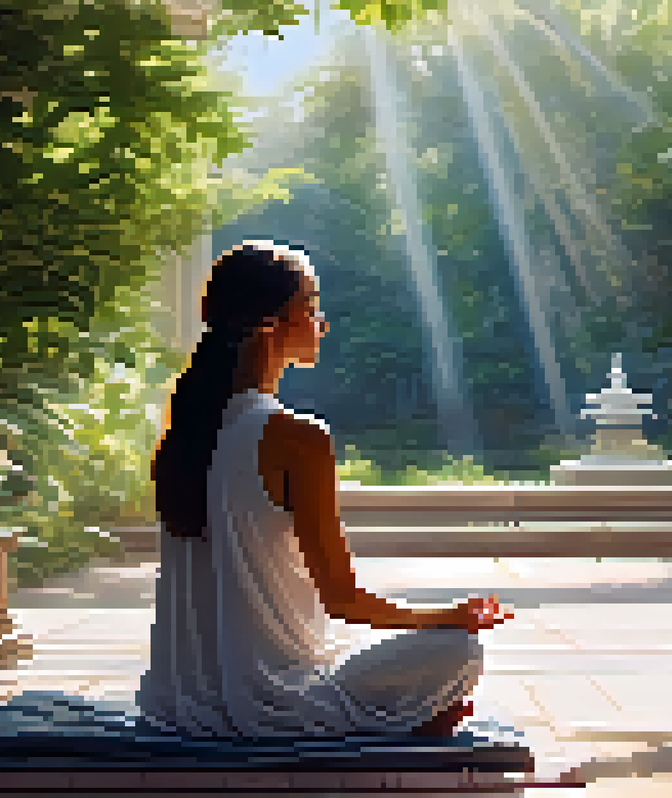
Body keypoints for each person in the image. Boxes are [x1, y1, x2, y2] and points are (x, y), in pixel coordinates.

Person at [137, 241, 511, 739]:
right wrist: (453, 617)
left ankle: (404, 716)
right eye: (310, 306)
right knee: (460, 651)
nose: (323, 322)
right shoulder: (296, 438)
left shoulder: (185, 434)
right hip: (275, 704)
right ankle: (400, 720)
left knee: (380, 658)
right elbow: (344, 600)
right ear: (269, 322)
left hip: (179, 705)